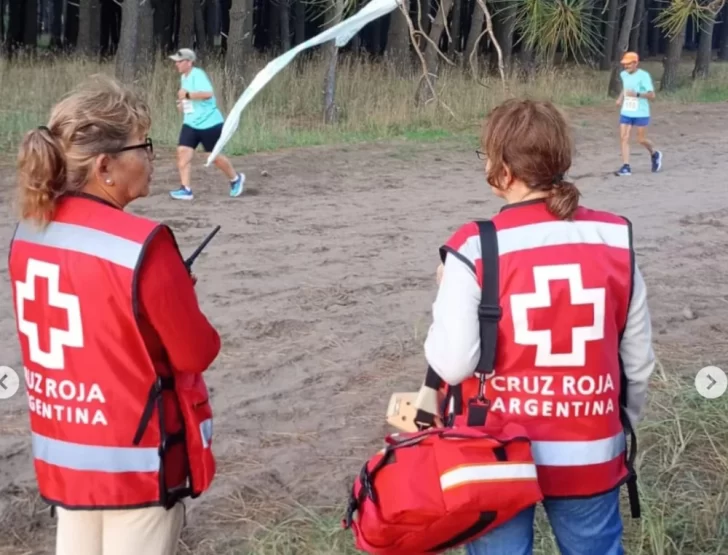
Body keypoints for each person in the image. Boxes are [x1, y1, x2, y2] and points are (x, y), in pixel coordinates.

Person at [424, 99, 656, 555]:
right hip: (592, 450)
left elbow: (453, 365)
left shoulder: (474, 247)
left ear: (504, 169)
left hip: (495, 454)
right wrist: (615, 424)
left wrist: (445, 288)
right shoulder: (615, 238)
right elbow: (639, 363)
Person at [10, 74, 221, 555]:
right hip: (136, 467)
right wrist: (178, 295)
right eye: (143, 146)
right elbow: (196, 351)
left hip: (66, 462)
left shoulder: (28, 232)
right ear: (105, 165)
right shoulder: (143, 245)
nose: (151, 157)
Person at [168, 48, 245, 200]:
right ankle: (186, 189)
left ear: (189, 62)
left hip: (210, 123)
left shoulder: (198, 75)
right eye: (175, 61)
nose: (176, 64)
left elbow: (208, 93)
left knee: (214, 157)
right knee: (183, 152)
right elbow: (188, 98)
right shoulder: (184, 77)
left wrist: (188, 95)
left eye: (179, 61)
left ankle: (236, 179)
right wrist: (183, 104)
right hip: (191, 122)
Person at [615, 51, 662, 176]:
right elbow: (625, 88)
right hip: (626, 111)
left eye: (628, 64)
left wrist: (636, 94)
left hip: (641, 112)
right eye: (624, 64)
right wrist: (620, 98)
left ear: (636, 63)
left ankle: (654, 153)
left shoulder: (644, 76)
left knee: (641, 140)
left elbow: (652, 96)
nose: (626, 66)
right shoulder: (623, 74)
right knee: (624, 137)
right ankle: (626, 166)